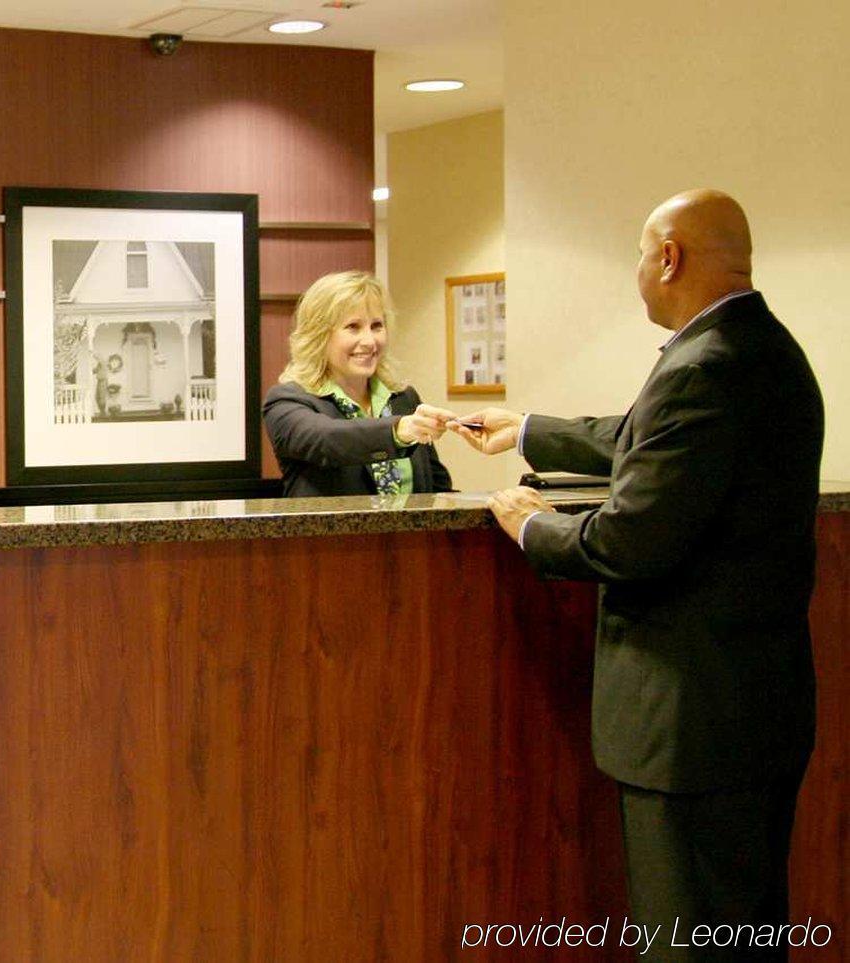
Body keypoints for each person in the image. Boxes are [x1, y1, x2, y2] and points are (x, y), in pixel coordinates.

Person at [451, 189, 823, 959]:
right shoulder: (766, 351)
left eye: (639, 254)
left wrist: (533, 528)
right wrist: (525, 429)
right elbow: (642, 442)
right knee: (748, 932)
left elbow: (629, 541)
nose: (637, 272)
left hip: (689, 724)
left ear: (669, 256)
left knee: (685, 940)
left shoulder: (702, 368)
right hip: (757, 709)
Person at [263, 270, 454, 497]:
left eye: (376, 326)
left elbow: (438, 488)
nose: (369, 341)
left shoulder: (404, 399)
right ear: (319, 335)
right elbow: (327, 440)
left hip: (409, 534)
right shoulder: (286, 402)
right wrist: (398, 431)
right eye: (353, 327)